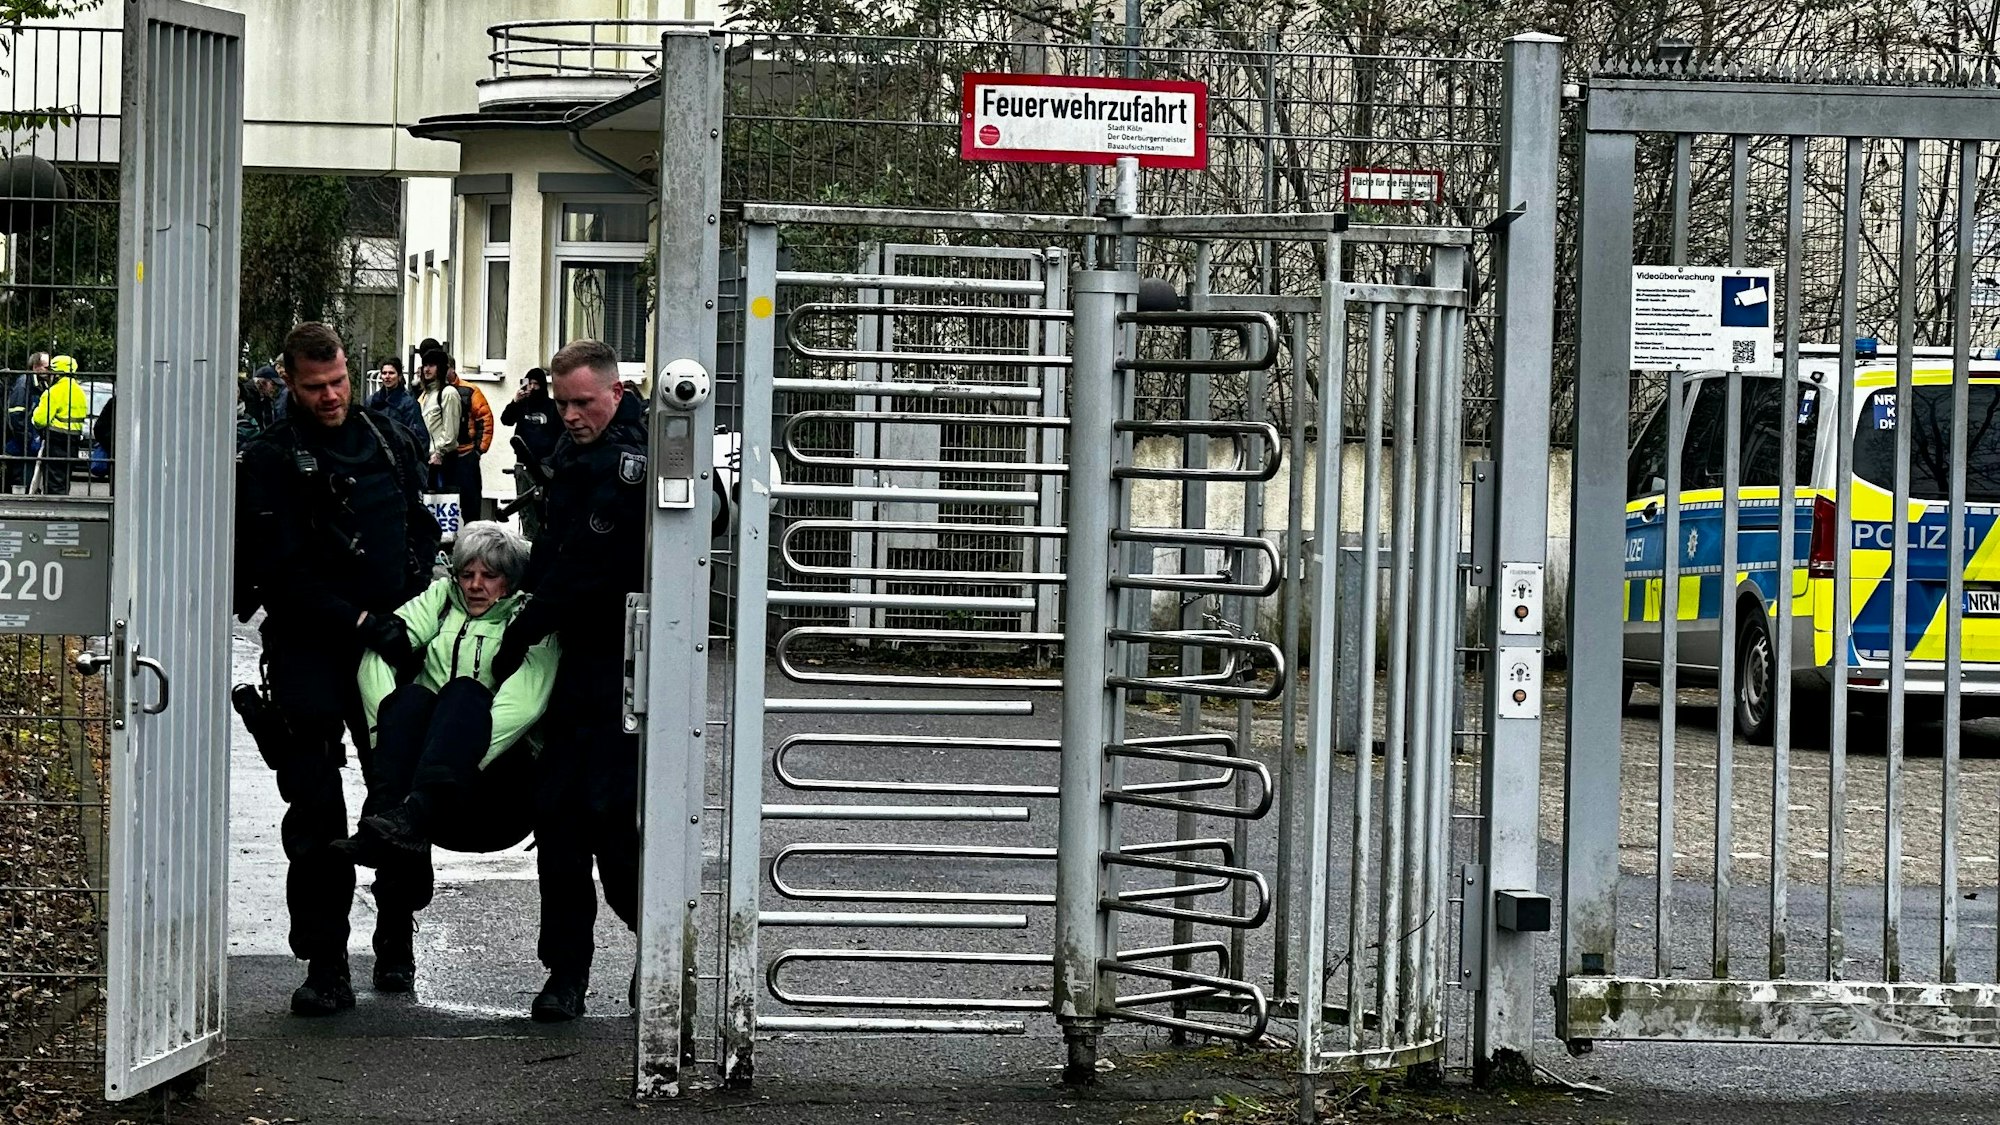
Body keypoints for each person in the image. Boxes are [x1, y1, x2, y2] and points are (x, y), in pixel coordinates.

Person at [232, 322, 441, 1016]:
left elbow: (422, 522)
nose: (330, 395)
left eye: (339, 381)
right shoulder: (269, 458)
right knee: (317, 800)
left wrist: (413, 607)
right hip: (310, 644)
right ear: (290, 382)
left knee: (400, 794)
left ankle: (394, 935)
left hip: (392, 638)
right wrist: (357, 620)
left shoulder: (389, 437)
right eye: (315, 386)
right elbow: (278, 571)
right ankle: (326, 961)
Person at [331, 522, 559, 984]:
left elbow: (527, 702)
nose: (475, 586)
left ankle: (399, 813)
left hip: (495, 780)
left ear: (510, 580)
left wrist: (457, 757)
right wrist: (384, 739)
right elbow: (380, 651)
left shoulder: (531, 618)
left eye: (489, 576)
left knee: (462, 694)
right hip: (423, 772)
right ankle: (393, 946)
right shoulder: (441, 600)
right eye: (466, 574)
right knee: (411, 703)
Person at [496, 338, 647, 1022]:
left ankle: (671, 953)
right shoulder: (572, 454)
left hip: (621, 670)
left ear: (616, 393)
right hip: (571, 667)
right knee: (557, 823)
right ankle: (565, 974)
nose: (571, 414)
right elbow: (555, 555)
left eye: (583, 402)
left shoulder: (628, 465)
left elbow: (586, 567)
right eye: (562, 403)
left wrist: (522, 627)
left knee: (615, 833)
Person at [500, 367, 561, 538]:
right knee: (525, 510)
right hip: (523, 465)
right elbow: (506, 420)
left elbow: (561, 434)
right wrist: (515, 401)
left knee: (545, 508)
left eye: (536, 384)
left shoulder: (552, 407)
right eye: (530, 383)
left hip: (545, 466)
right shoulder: (522, 405)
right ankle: (528, 542)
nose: (533, 388)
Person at [30, 354, 87, 495]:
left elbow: (39, 420)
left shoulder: (54, 392)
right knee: (64, 481)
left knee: (54, 484)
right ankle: (63, 509)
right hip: (73, 442)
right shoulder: (80, 392)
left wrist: (35, 413)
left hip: (56, 441)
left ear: (57, 373)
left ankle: (54, 513)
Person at [448, 359, 494, 522]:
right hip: (444, 457)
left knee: (471, 504)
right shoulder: (433, 391)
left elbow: (485, 418)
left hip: (466, 455)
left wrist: (479, 450)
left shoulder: (470, 390)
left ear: (452, 368)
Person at [415, 350, 463, 496]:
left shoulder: (448, 393)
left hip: (442, 462)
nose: (426, 369)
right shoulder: (425, 394)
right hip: (426, 461)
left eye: (431, 365)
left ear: (440, 367)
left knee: (443, 510)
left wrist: (439, 453)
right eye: (424, 365)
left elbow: (450, 432)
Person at [4, 352, 49, 492]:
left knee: (29, 483)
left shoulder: (42, 385)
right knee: (20, 484)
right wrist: (28, 438)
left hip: (30, 447)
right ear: (36, 367)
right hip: (20, 447)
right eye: (47, 367)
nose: (50, 371)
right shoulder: (24, 384)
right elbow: (15, 415)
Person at [365, 358, 428, 457]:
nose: (387, 376)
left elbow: (417, 435)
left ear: (399, 376)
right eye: (384, 373)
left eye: (391, 373)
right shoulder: (372, 401)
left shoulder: (409, 402)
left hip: (401, 456)